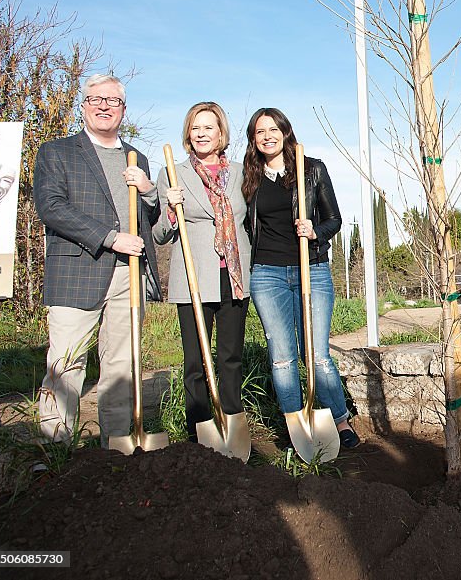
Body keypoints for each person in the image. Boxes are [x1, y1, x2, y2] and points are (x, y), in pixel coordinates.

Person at [33, 74, 162, 447]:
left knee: (121, 366)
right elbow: (52, 208)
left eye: (113, 101)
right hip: (77, 271)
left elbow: (147, 221)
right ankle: (55, 446)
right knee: (66, 363)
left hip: (128, 276)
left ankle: (116, 446)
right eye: (96, 99)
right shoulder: (57, 151)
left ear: (123, 109)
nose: (104, 106)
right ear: (84, 104)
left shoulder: (137, 157)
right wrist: (109, 237)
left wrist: (150, 191)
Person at [241, 107, 359, 449]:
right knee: (282, 356)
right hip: (268, 274)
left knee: (317, 354)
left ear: (285, 132)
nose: (267, 136)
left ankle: (340, 420)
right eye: (260, 131)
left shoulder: (312, 169)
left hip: (313, 270)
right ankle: (297, 424)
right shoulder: (249, 177)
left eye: (273, 129)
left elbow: (334, 219)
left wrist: (315, 230)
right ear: (253, 139)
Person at [153, 102, 251, 442]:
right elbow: (158, 235)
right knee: (195, 361)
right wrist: (169, 209)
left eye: (208, 127)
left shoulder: (240, 173)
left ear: (221, 133)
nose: (201, 134)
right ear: (187, 134)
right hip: (193, 278)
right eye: (195, 128)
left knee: (230, 358)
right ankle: (199, 433)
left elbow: (254, 220)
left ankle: (231, 427)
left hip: (234, 278)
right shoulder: (172, 173)